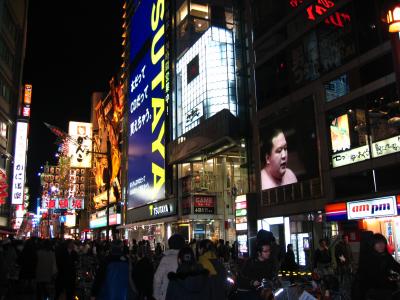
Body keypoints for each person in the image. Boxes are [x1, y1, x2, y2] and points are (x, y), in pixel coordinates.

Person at [358, 233, 400, 300]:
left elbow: (396, 266)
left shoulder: (386, 256)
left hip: (387, 290)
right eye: (378, 243)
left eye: (383, 242)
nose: (381, 245)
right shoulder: (368, 258)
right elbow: (366, 278)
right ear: (372, 245)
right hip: (374, 292)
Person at [153, 234, 185, 300]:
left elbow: (157, 279)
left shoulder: (166, 259)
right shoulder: (187, 258)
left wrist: (157, 296)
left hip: (167, 294)